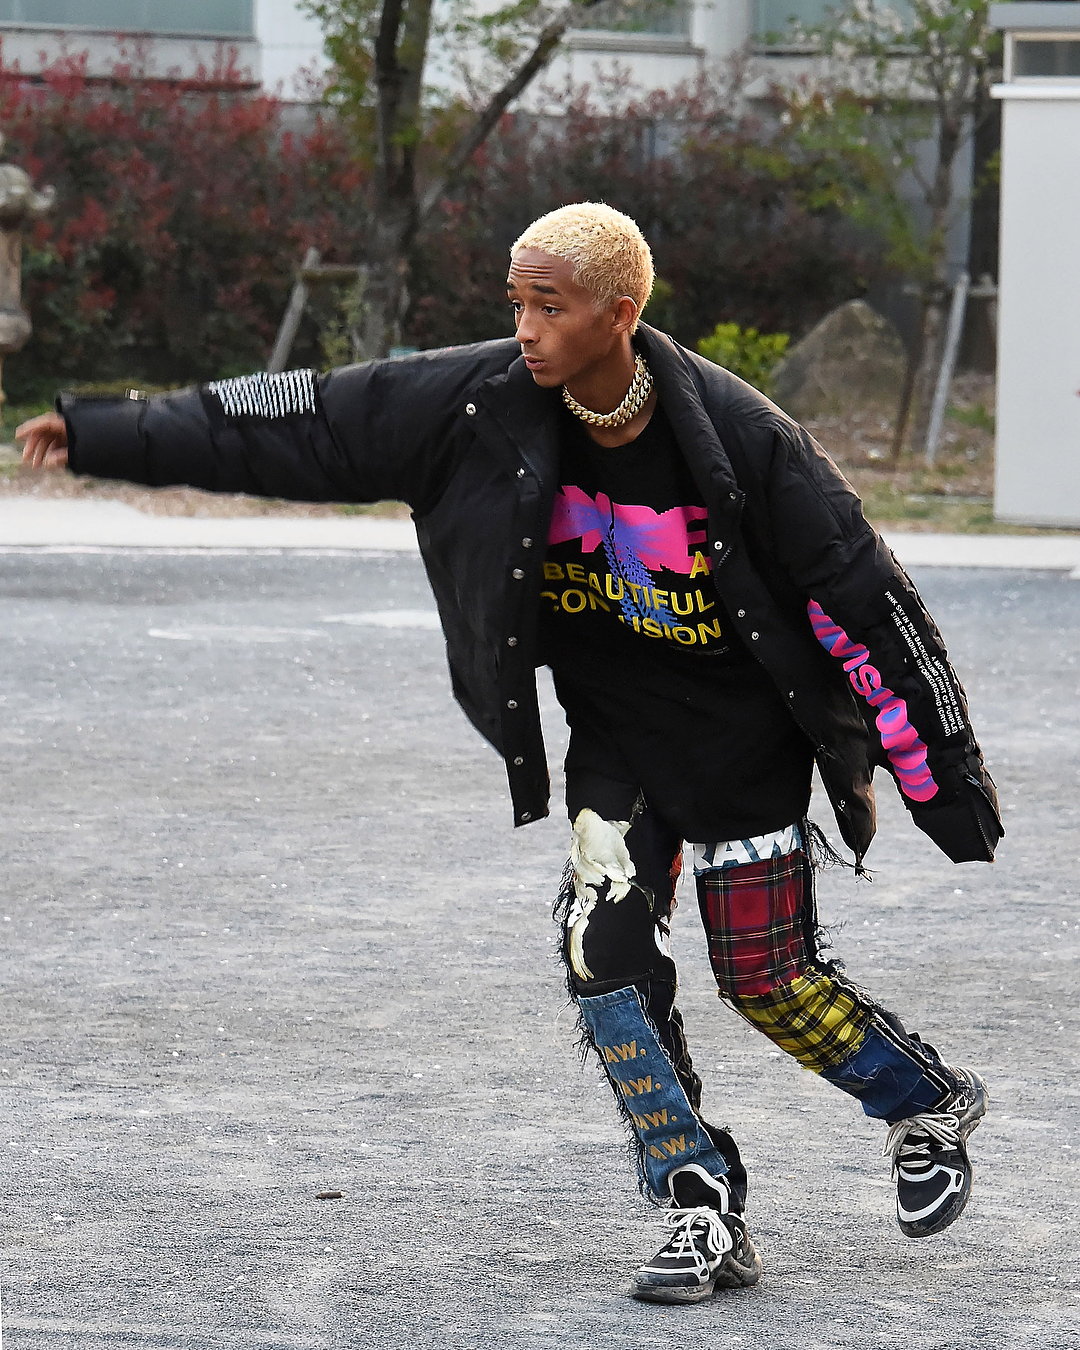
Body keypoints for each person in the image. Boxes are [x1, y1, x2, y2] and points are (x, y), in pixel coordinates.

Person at [19, 203, 1003, 1306]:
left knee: (766, 980)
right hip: (617, 740)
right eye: (517, 303)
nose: (527, 328)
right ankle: (697, 1202)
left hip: (740, 739)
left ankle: (922, 1100)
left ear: (618, 314)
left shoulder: (741, 438)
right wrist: (105, 430)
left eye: (552, 306)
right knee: (602, 956)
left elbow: (866, 605)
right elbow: (300, 421)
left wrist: (944, 787)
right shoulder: (480, 403)